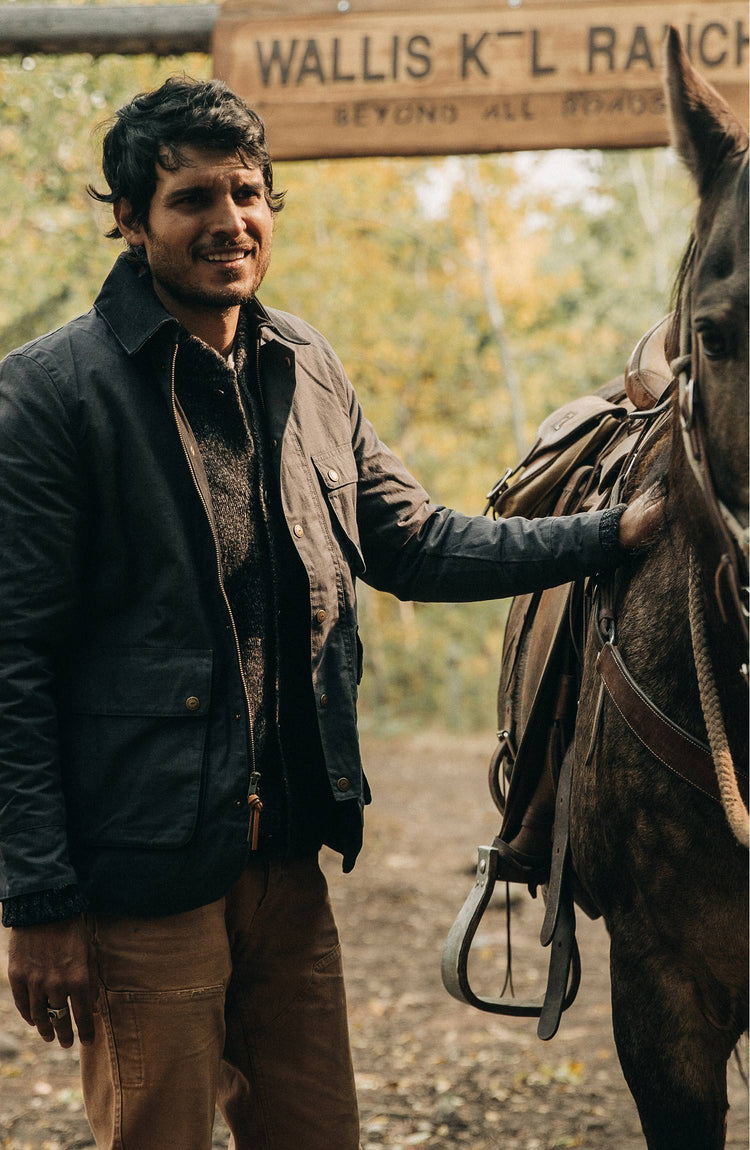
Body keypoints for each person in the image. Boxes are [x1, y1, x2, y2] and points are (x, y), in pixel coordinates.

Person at [0, 78, 661, 1150]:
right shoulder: (49, 396)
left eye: (250, 193)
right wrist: (34, 900)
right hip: (142, 878)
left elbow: (416, 541)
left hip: (288, 869)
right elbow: (12, 664)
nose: (231, 221)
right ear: (129, 219)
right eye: (193, 199)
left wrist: (609, 533)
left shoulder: (303, 366)